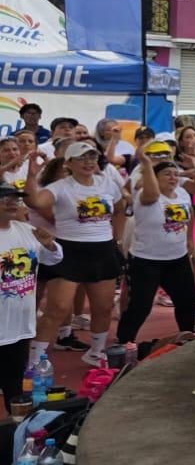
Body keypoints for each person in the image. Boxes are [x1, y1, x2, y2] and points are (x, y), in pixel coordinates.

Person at [26, 141, 129, 368]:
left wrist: (118, 238)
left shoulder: (107, 183)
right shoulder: (61, 186)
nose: (88, 162)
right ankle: (34, 361)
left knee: (102, 308)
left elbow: (121, 208)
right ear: (69, 163)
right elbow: (34, 201)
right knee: (58, 308)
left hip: (102, 250)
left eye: (92, 157)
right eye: (82, 158)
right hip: (69, 251)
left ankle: (96, 352)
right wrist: (32, 175)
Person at [117, 147, 195, 342]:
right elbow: (152, 194)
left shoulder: (182, 194)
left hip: (177, 259)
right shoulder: (146, 195)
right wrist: (145, 162)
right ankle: (123, 343)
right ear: (154, 177)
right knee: (140, 307)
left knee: (187, 301)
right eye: (166, 174)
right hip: (146, 261)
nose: (172, 178)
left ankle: (188, 338)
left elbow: (190, 214)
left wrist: (189, 241)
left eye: (175, 174)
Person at [0, 188, 60, 415]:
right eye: (4, 198)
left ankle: (18, 438)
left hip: (20, 326)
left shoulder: (26, 231)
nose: (12, 202)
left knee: (16, 391)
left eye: (15, 198)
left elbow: (54, 258)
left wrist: (50, 245)